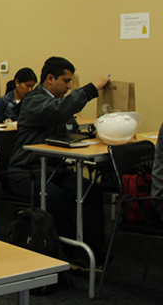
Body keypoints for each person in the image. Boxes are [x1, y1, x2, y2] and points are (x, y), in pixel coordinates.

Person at [8, 56, 110, 262]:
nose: (69, 86)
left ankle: (92, 250)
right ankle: (68, 253)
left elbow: (67, 123)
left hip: (53, 169)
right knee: (57, 198)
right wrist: (91, 89)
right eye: (66, 81)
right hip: (26, 171)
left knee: (91, 189)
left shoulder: (53, 102)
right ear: (50, 79)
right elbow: (58, 110)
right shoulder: (33, 100)